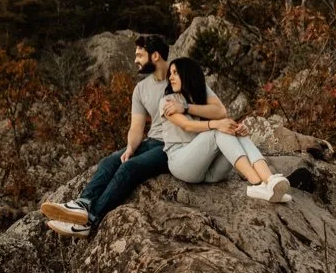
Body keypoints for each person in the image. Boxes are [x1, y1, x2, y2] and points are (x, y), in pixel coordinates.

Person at [40, 33, 229, 237]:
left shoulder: (182, 77)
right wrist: (130, 148)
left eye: (139, 55)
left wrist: (187, 108)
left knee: (129, 169)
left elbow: (219, 110)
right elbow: (136, 128)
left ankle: (90, 221)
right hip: (151, 141)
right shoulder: (141, 89)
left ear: (155, 56)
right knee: (110, 161)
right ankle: (82, 204)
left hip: (175, 146)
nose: (135, 60)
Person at [160, 57, 289, 201]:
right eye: (170, 74)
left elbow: (221, 112)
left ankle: (269, 181)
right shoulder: (167, 101)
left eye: (175, 73)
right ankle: (257, 183)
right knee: (219, 129)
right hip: (182, 164)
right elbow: (187, 125)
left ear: (187, 73)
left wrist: (186, 107)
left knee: (233, 130)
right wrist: (216, 124)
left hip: (211, 170)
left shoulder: (201, 90)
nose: (170, 77)